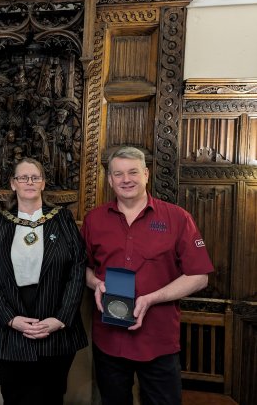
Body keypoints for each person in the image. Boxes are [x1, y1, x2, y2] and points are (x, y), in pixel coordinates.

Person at [81, 146, 214, 405]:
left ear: (146, 174)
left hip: (158, 339)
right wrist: (95, 282)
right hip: (109, 339)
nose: (126, 179)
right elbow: (82, 269)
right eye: (118, 174)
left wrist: (151, 298)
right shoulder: (94, 220)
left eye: (132, 172)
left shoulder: (177, 218)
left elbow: (199, 276)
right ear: (109, 179)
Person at [0, 157, 87, 405]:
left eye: (35, 177)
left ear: (43, 183)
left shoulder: (62, 219)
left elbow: (78, 267)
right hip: (12, 325)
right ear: (13, 184)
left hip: (55, 323)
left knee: (50, 397)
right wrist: (10, 318)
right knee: (15, 396)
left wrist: (61, 319)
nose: (29, 182)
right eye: (22, 177)